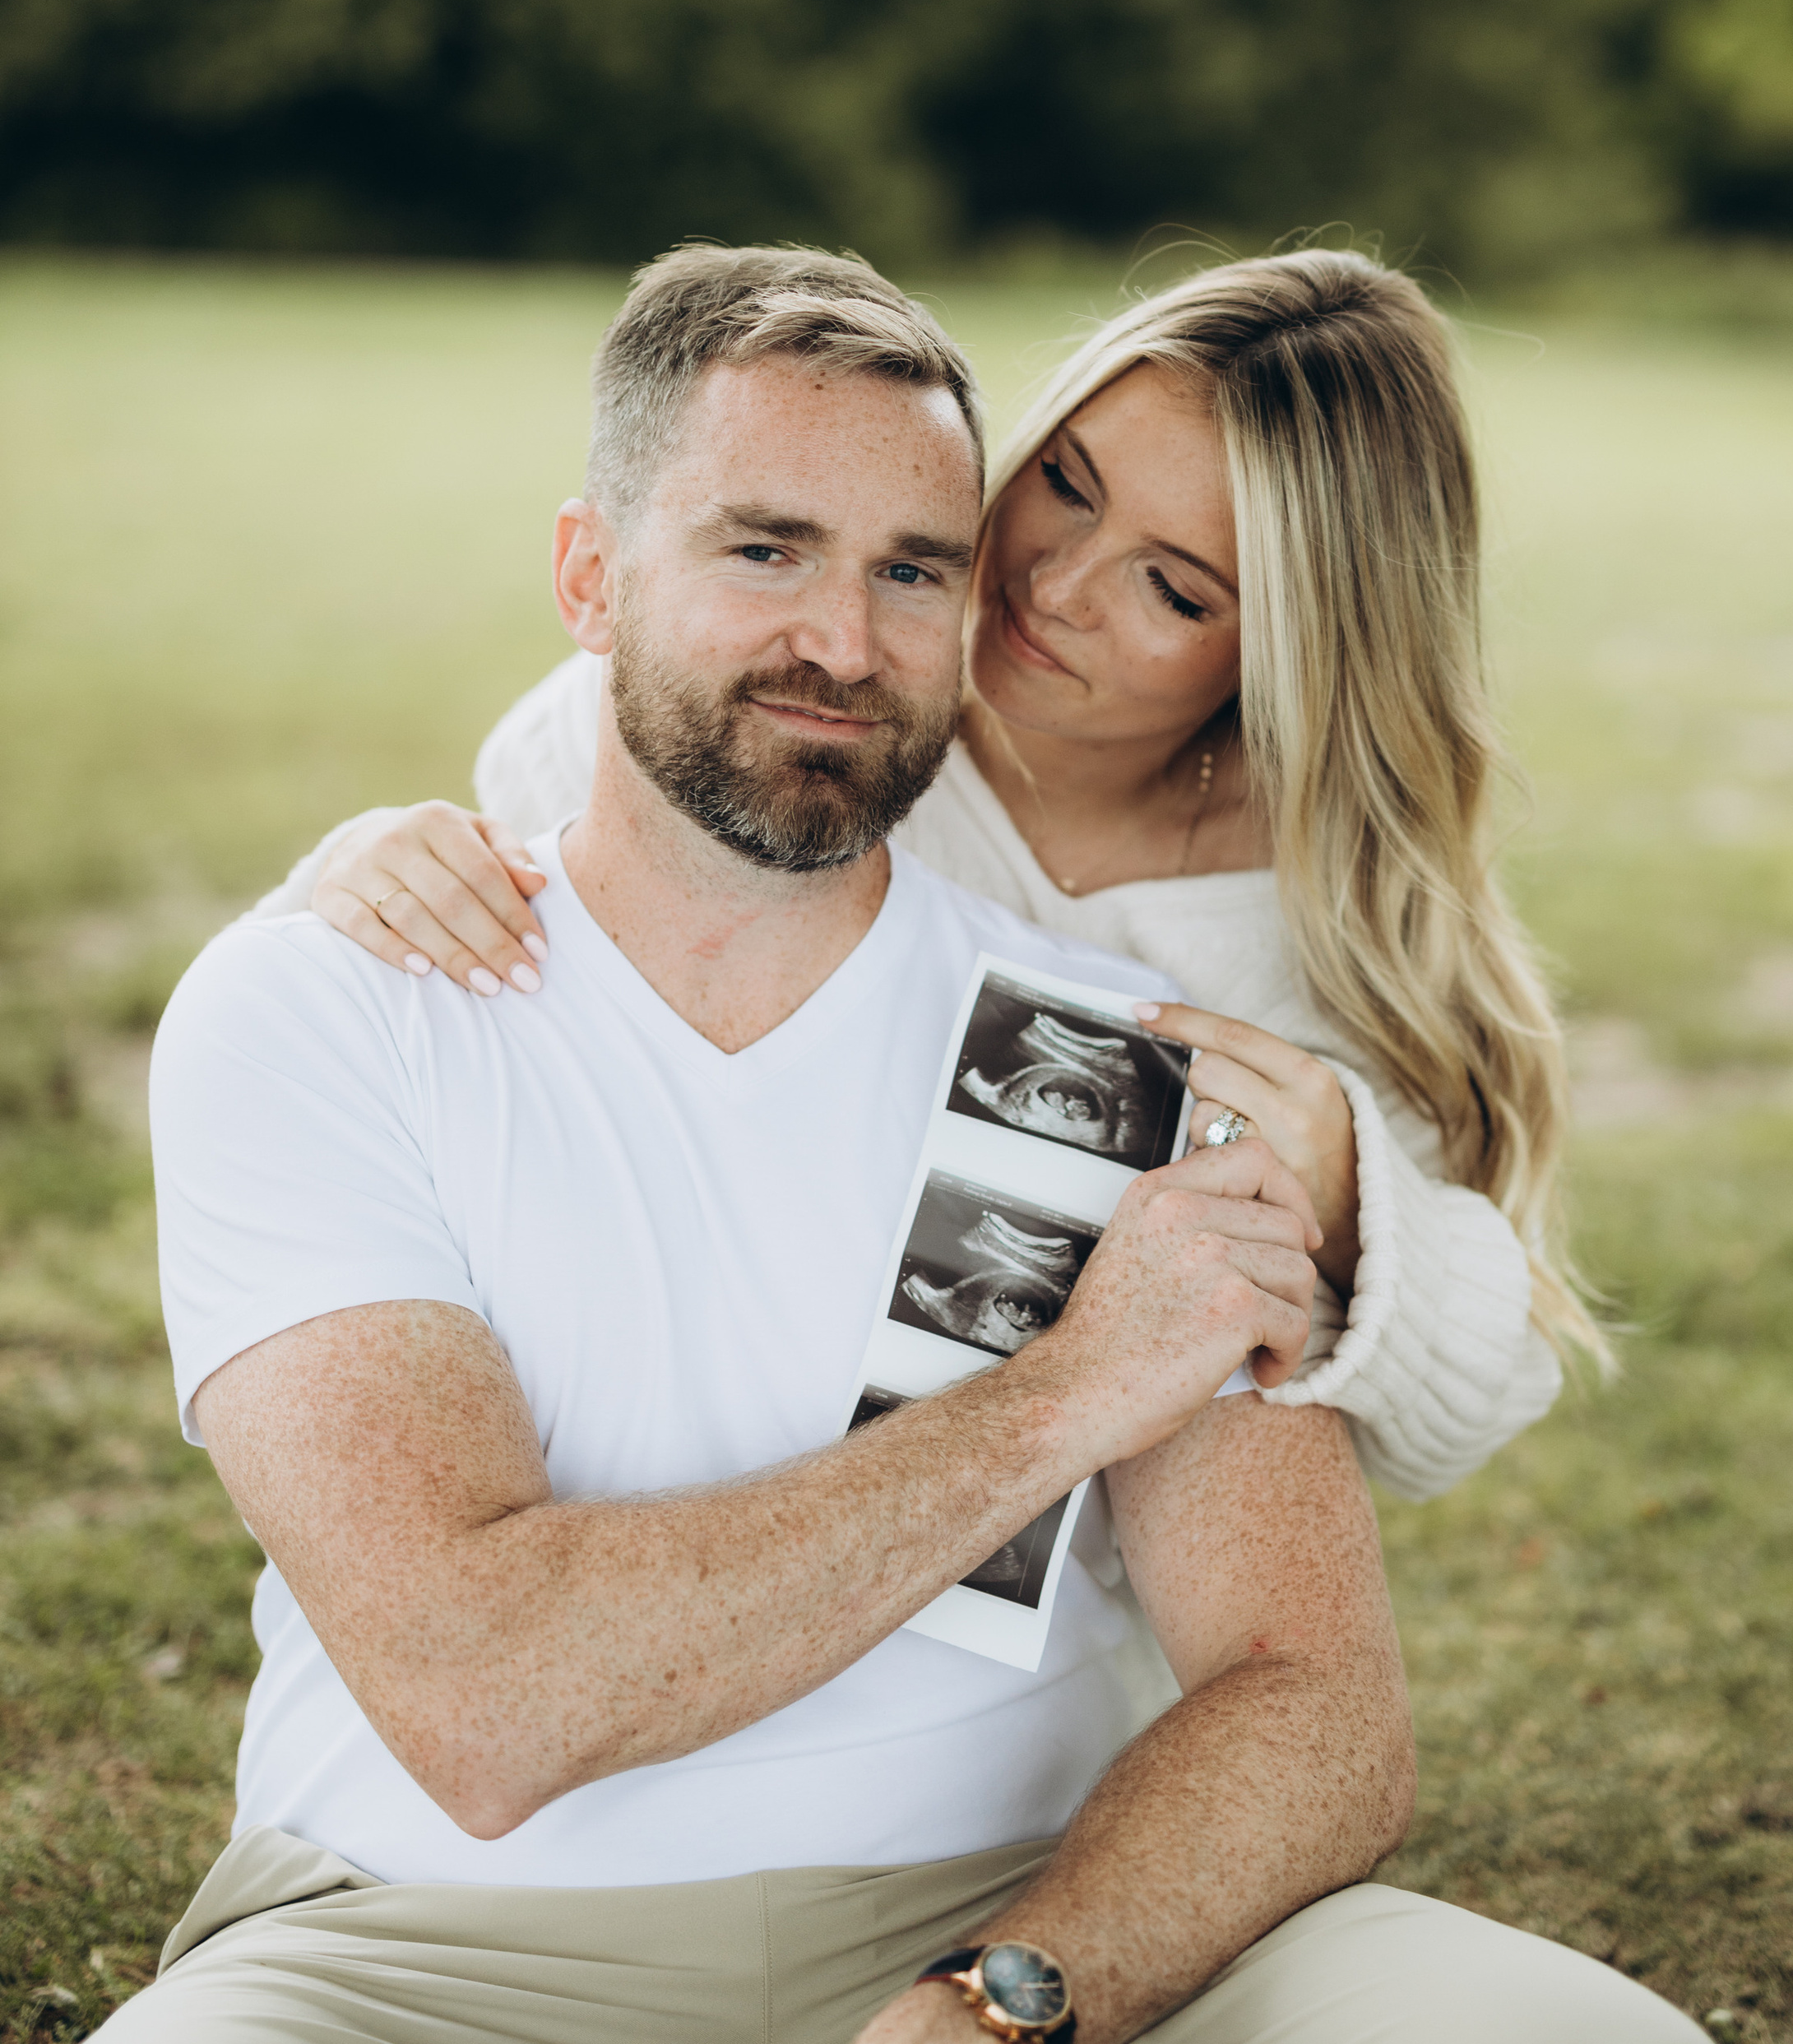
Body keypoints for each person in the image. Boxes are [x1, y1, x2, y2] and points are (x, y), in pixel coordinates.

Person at [0, 246, 1793, 2044]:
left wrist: (979, 2026)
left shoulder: (1158, 1061)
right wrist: (1062, 1396)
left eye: (914, 571)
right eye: (765, 547)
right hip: (420, 1971)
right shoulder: (344, 996)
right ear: (586, 575)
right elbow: (487, 1704)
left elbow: (1316, 1687)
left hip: (1007, 1918)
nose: (844, 638)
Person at [271, 250, 1600, 1517]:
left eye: (1174, 589)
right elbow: (457, 985)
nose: (1054, 584)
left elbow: (1470, 1410)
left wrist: (1354, 1204)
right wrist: (366, 869)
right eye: (1070, 483)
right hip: (672, 1493)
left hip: (1060, 1609)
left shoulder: (1317, 934)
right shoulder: (802, 721)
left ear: (1292, 652)